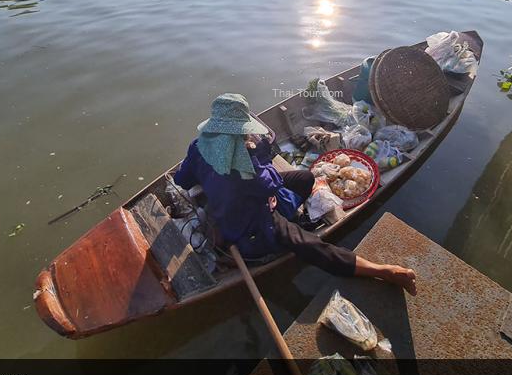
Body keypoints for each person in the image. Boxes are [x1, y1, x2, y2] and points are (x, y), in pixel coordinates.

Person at [174, 93, 417, 295]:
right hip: (248, 226)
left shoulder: (198, 145)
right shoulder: (246, 164)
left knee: (306, 177)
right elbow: (271, 184)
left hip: (233, 203)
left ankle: (288, 215)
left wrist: (213, 177)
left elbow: (181, 179)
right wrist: (259, 152)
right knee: (308, 244)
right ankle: (382, 271)